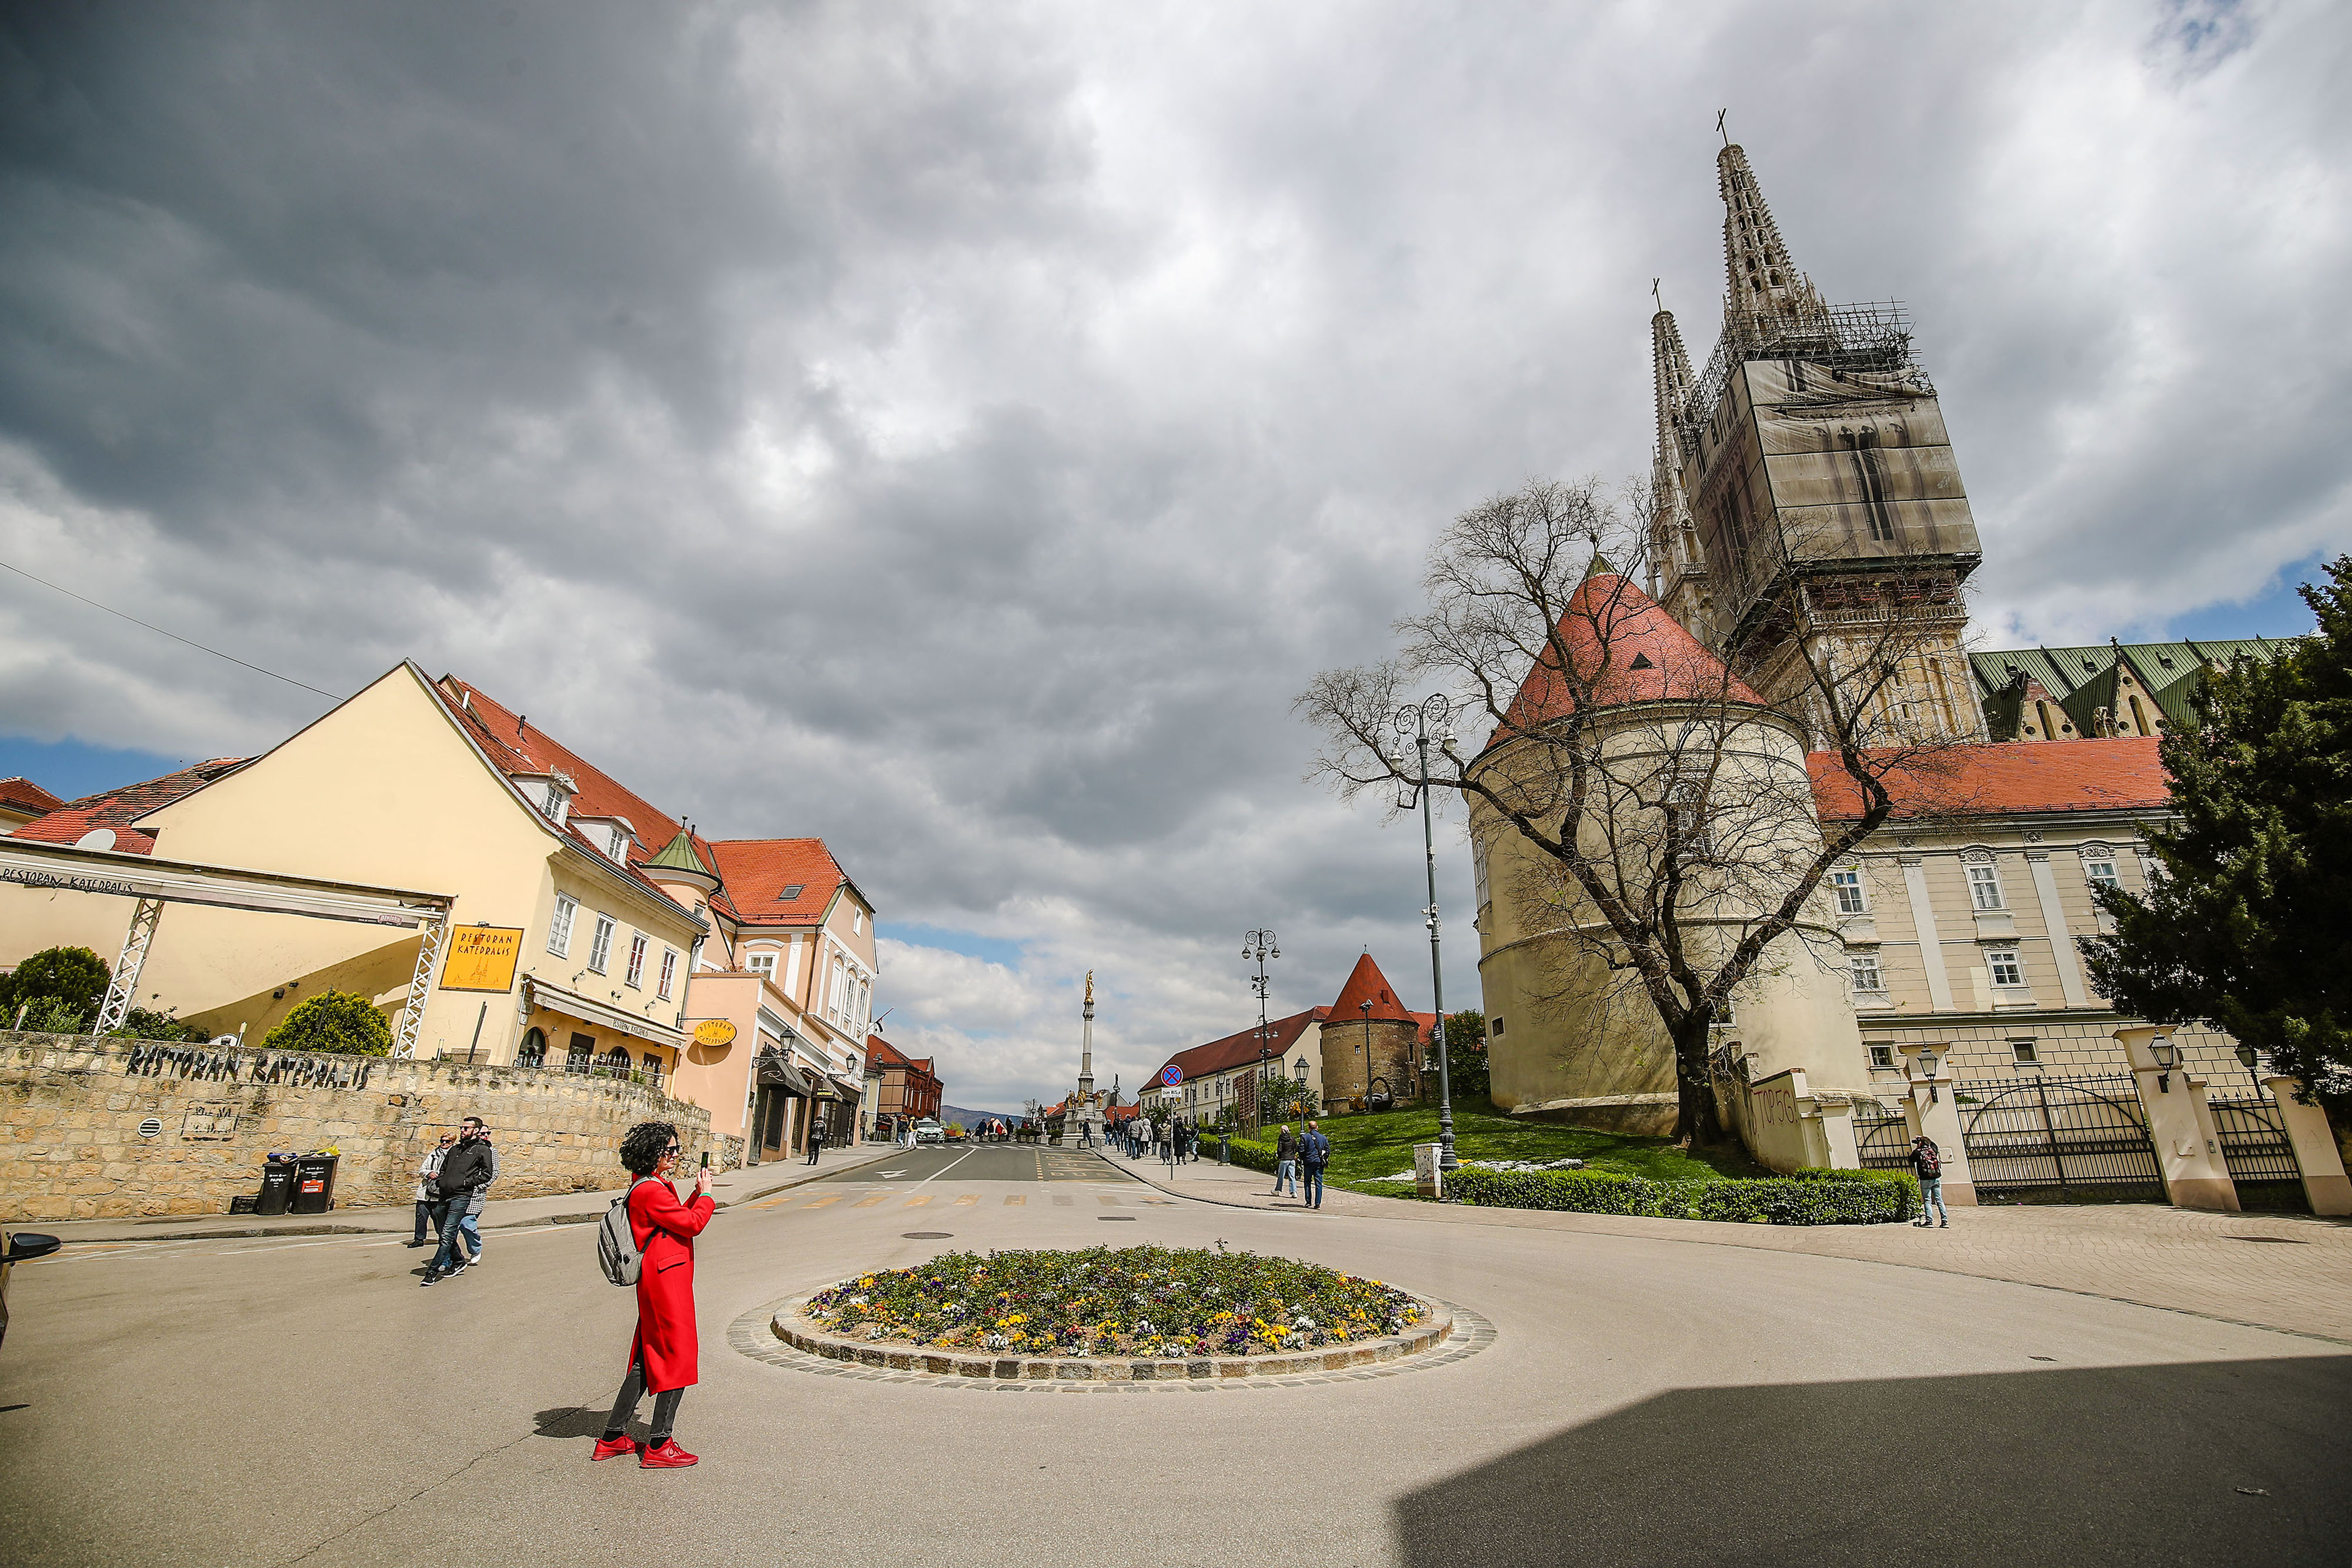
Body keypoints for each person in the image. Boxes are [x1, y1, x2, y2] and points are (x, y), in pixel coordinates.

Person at [593, 1120, 714, 1469]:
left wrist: (694, 1195)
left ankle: (613, 1436)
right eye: (670, 1150)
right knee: (678, 1353)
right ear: (654, 1154)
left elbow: (676, 1218)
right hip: (666, 1280)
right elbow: (692, 1224)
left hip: (662, 1276)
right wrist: (706, 1195)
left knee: (646, 1360)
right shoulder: (651, 1190)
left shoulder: (651, 1185)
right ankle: (661, 1443)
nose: (676, 1155)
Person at [422, 1117, 493, 1283]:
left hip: (461, 1196)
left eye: (466, 1129)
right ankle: (459, 1260)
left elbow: (487, 1174)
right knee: (441, 1232)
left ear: (476, 1131)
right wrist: (442, 1182)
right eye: (462, 1128)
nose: (462, 1131)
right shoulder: (455, 1150)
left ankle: (431, 1273)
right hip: (444, 1196)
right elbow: (444, 1169)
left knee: (447, 1234)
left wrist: (466, 1183)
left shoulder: (482, 1150)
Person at [456, 1121, 497, 1266]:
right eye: (483, 1133)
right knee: (450, 1228)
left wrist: (478, 1186)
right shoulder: (464, 1149)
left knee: (467, 1224)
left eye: (488, 1133)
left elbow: (493, 1174)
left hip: (475, 1195)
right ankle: (450, 1259)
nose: (486, 1136)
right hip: (459, 1192)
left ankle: (475, 1249)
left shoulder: (491, 1151)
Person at [410, 1132, 453, 1247]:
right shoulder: (434, 1154)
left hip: (439, 1193)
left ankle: (443, 1238)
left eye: (447, 1141)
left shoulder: (454, 1155)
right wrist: (429, 1173)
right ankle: (419, 1239)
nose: (444, 1143)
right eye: (442, 1141)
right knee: (421, 1216)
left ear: (452, 1143)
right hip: (425, 1192)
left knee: (439, 1217)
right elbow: (422, 1170)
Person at [1910, 1135, 1948, 1228]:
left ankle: (1929, 1222)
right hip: (1936, 1177)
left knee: (1928, 1200)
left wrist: (1918, 1146)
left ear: (1920, 1143)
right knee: (1939, 1200)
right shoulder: (1933, 1150)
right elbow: (1934, 1144)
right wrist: (1924, 1138)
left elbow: (1911, 1159)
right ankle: (1945, 1221)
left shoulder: (1917, 1152)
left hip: (1925, 1179)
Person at [1300, 1119, 1330, 1209]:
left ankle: (1308, 1201)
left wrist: (1304, 1158)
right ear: (1317, 1127)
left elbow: (1301, 1150)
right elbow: (1328, 1150)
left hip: (1308, 1162)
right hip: (1319, 1163)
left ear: (1309, 1128)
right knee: (1319, 1183)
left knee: (1307, 1182)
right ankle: (1317, 1204)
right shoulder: (1323, 1138)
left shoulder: (1305, 1137)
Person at [1271, 1124, 1298, 1198]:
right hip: (1292, 1159)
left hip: (1284, 1159)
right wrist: (1293, 1155)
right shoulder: (1292, 1138)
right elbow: (1296, 1147)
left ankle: (1277, 1190)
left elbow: (1279, 1149)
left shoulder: (1281, 1138)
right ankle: (1294, 1192)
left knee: (1281, 1176)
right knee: (1292, 1176)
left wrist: (1280, 1156)